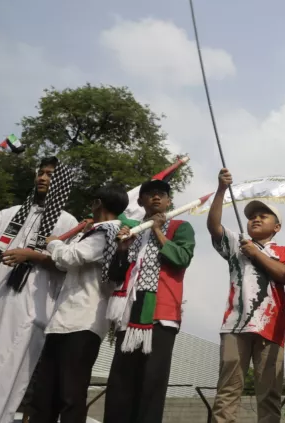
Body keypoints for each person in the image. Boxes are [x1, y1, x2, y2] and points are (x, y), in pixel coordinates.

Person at [0, 157, 79, 423]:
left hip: (28, 310)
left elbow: (68, 265)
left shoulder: (68, 223)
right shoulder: (13, 212)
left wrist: (32, 256)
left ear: (61, 183)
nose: (42, 178)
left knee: (5, 373)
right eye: (41, 173)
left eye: (50, 175)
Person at [28, 186, 128, 423]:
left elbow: (70, 257)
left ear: (97, 203)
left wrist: (53, 243)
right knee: (45, 395)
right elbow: (65, 264)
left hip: (83, 323)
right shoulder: (96, 232)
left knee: (70, 396)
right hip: (64, 320)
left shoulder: (110, 232)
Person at [103, 179, 195, 423]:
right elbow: (113, 276)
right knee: (120, 384)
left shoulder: (180, 226)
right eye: (150, 194)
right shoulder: (132, 231)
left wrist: (156, 229)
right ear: (141, 200)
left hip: (161, 315)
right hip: (128, 314)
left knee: (151, 385)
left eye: (161, 194)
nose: (156, 197)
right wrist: (122, 249)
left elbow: (181, 258)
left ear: (168, 201)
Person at [207, 168, 285, 423]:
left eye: (263, 216)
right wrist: (222, 190)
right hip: (235, 324)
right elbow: (214, 227)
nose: (255, 219)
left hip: (271, 327)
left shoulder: (284, 250)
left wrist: (256, 254)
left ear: (276, 227)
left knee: (269, 394)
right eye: (252, 216)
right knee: (227, 391)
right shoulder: (237, 242)